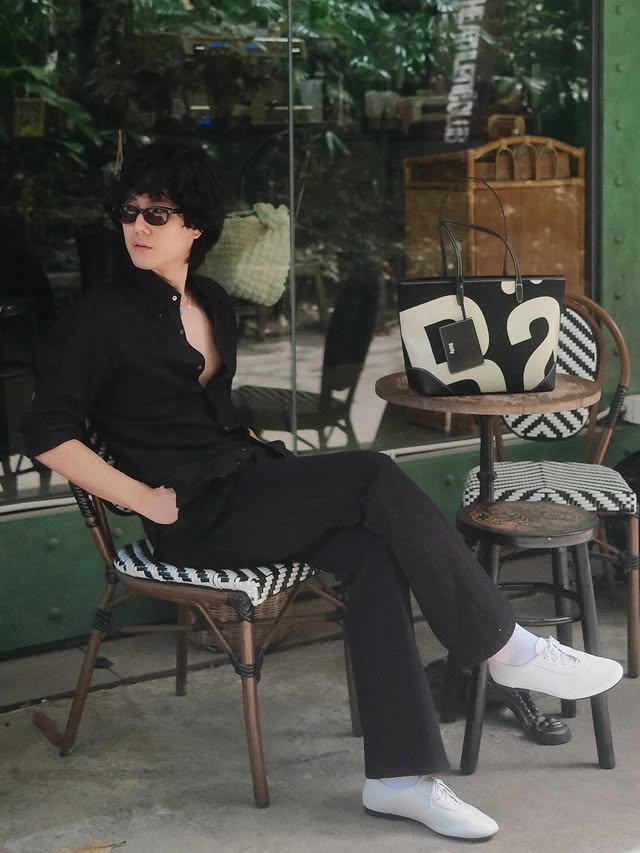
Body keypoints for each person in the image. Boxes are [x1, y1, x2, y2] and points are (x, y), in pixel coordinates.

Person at [22, 143, 623, 841]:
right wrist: (140, 499)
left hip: (246, 486)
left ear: (196, 225)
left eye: (157, 213)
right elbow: (46, 433)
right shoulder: (100, 318)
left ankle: (398, 778)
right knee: (371, 473)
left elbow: (209, 415)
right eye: (128, 212)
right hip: (193, 517)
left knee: (372, 554)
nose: (137, 225)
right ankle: (505, 645)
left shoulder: (212, 303)